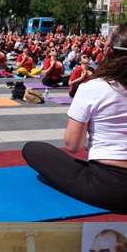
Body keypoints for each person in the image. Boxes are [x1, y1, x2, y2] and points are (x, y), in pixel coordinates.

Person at [22, 23, 127, 212]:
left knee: (33, 149)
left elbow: (73, 145)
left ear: (109, 52)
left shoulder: (93, 88)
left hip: (110, 187)